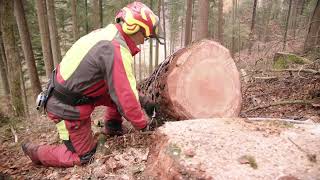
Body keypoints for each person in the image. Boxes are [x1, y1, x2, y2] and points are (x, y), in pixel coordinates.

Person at [22, 1, 161, 167]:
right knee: (84, 156)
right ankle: (37, 152)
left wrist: (144, 101)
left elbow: (123, 85)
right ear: (134, 28)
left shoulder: (108, 35)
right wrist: (144, 125)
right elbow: (126, 98)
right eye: (144, 36)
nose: (144, 41)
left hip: (79, 94)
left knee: (116, 92)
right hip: (67, 108)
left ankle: (112, 126)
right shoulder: (115, 49)